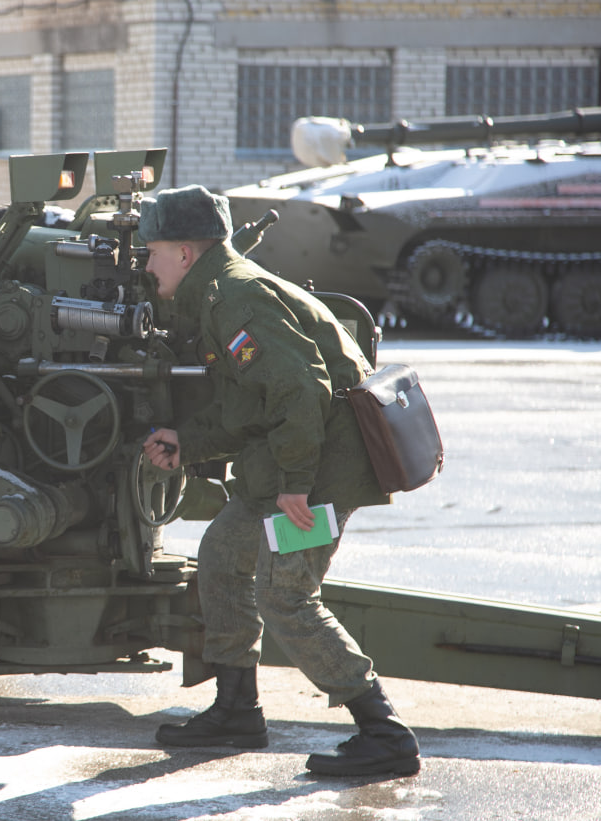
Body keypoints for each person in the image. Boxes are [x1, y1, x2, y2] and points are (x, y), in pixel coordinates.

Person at [138, 184, 421, 777]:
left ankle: (385, 733)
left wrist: (296, 483)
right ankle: (238, 708)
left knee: (285, 594)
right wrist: (188, 442)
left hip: (318, 477)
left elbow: (300, 392)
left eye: (153, 250)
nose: (146, 263)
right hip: (289, 470)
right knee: (222, 552)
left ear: (186, 253)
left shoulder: (236, 299)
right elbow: (251, 407)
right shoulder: (221, 293)